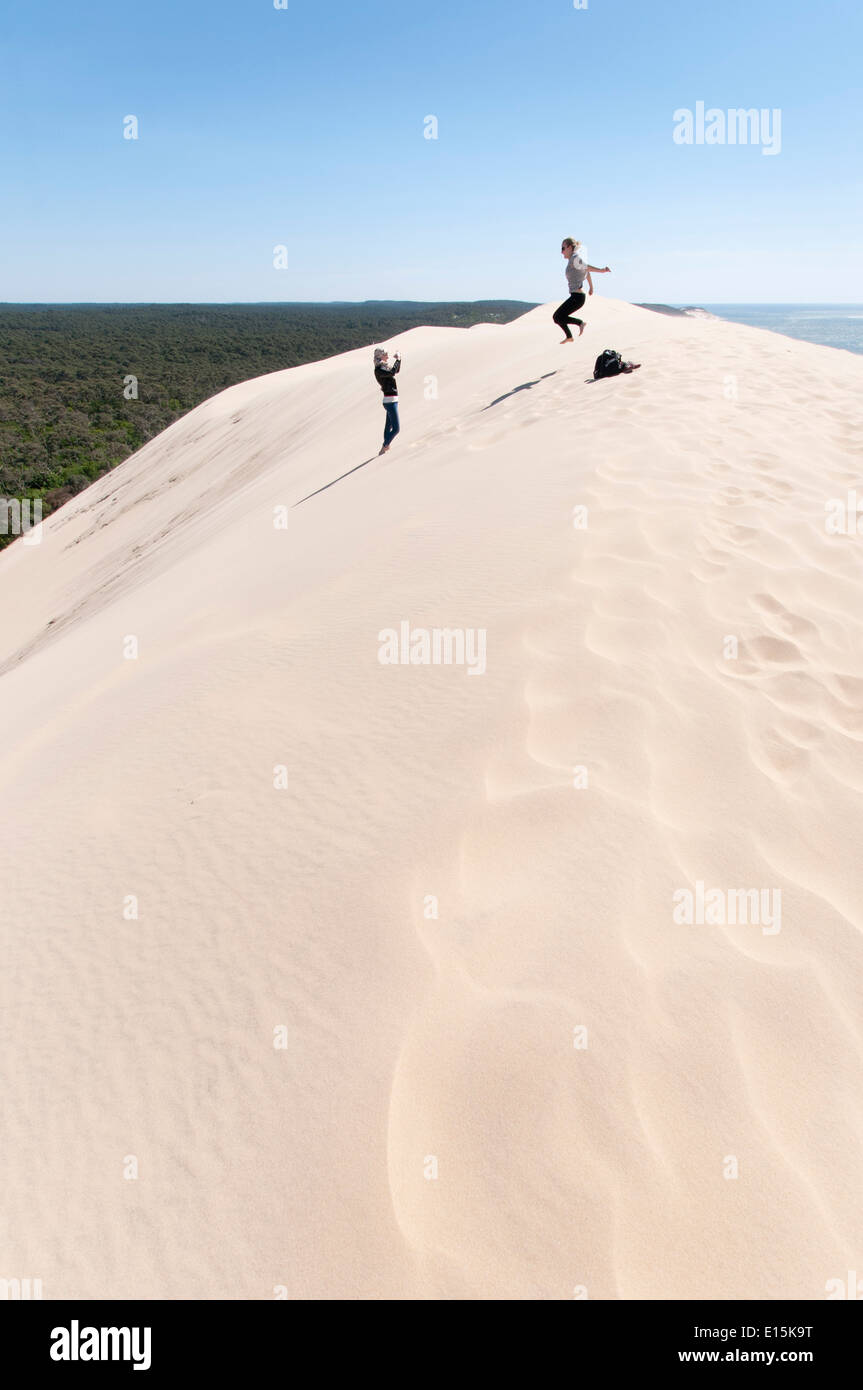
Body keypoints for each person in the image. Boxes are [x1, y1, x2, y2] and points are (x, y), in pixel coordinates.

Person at [553, 239, 611, 343]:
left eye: (563, 248)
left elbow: (587, 267)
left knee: (557, 316)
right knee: (558, 317)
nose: (561, 252)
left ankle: (579, 324)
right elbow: (586, 271)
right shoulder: (573, 260)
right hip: (576, 297)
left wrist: (601, 270)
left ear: (570, 247)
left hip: (577, 298)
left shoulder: (575, 258)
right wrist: (591, 287)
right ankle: (570, 336)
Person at [373, 347, 401, 454]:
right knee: (396, 429)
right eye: (385, 354)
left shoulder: (383, 367)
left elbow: (395, 370)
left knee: (388, 427)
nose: (387, 356)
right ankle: (385, 446)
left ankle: (385, 446)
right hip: (390, 401)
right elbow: (393, 372)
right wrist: (398, 359)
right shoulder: (379, 369)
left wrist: (399, 360)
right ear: (380, 356)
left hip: (391, 400)